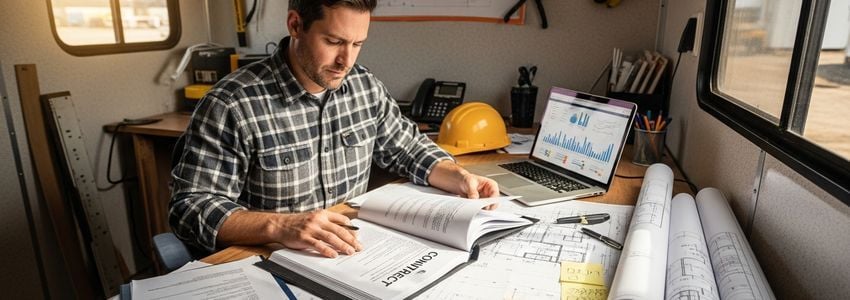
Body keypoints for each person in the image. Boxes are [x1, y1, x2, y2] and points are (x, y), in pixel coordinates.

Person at [170, 0, 500, 259]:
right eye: (334, 41)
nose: (347, 60)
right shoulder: (232, 104)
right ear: (295, 25)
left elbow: (408, 148)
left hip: (350, 255)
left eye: (357, 44)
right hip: (269, 259)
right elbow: (190, 207)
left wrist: (455, 175)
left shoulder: (363, 86)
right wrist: (281, 226)